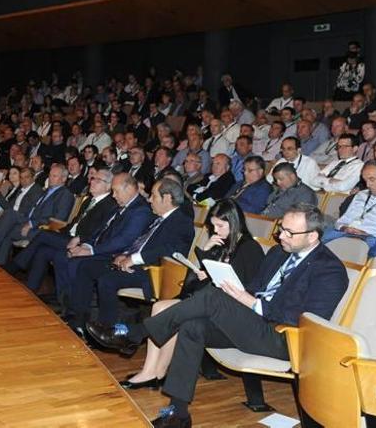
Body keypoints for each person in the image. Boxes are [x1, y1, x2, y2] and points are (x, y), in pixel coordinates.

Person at [88, 204, 347, 427]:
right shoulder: (280, 252)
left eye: (290, 232)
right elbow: (256, 285)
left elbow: (308, 320)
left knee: (212, 298)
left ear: (313, 236)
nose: (281, 236)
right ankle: (178, 413)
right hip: (253, 323)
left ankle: (134, 333)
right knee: (193, 326)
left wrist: (250, 302)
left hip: (284, 338)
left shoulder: (330, 270)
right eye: (282, 228)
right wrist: (239, 292)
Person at [120, 200, 263, 390]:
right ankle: (153, 371)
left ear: (235, 222)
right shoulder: (221, 243)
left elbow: (250, 287)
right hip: (206, 299)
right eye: (213, 226)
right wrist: (205, 251)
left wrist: (211, 276)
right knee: (159, 307)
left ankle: (155, 371)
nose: (216, 230)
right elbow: (193, 282)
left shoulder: (249, 248)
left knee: (167, 312)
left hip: (229, 309)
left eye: (221, 225)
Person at [67, 178, 194, 333]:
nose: (149, 199)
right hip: (136, 264)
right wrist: (125, 254)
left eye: (153, 196)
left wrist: (133, 259)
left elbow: (169, 251)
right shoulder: (158, 218)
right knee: (87, 266)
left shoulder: (182, 222)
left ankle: (108, 330)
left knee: (107, 280)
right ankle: (79, 320)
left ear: (167, 198)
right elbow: (140, 242)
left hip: (153, 272)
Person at [5, 167, 118, 292]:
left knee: (43, 235)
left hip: (82, 242)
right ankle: (30, 290)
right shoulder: (88, 201)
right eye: (92, 179)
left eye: (98, 180)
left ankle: (14, 266)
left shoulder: (110, 205)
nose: (92, 182)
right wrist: (60, 231)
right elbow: (74, 223)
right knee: (43, 250)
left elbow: (100, 230)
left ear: (108, 186)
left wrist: (79, 238)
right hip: (68, 236)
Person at [321, 161, 376, 257]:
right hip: (346, 233)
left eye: (372, 179)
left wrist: (365, 233)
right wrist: (344, 228)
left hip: (371, 239)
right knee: (314, 238)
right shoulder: (361, 195)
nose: (368, 185)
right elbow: (341, 221)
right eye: (365, 180)